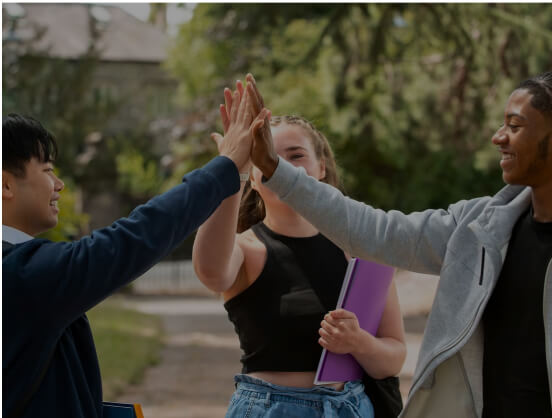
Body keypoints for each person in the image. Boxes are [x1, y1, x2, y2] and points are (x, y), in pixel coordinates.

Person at [248, 72, 552, 418]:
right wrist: (275, 169)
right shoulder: (478, 226)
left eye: (515, 125)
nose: (498, 137)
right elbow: (376, 232)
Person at [2, 74, 261, 418]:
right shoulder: (20, 274)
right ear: (5, 185)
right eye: (47, 170)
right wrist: (224, 168)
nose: (59, 184)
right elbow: (134, 237)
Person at [193, 89, 407, 417]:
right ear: (252, 175)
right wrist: (229, 168)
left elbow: (393, 356)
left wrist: (358, 343)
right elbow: (209, 272)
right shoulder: (246, 249)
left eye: (295, 156)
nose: (281, 167)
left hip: (350, 408)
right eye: (267, 158)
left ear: (321, 167)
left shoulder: (361, 249)